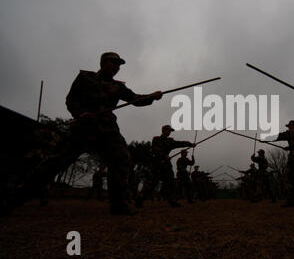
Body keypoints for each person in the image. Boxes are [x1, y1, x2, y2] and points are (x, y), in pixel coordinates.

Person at [24, 52, 163, 215]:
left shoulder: (118, 87)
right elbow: (71, 100)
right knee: (56, 161)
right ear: (103, 63)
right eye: (114, 63)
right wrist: (80, 113)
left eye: (119, 65)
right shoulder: (85, 78)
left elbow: (134, 99)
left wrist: (152, 97)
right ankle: (15, 196)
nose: (117, 67)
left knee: (121, 158)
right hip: (85, 126)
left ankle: (118, 205)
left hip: (108, 130)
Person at [151, 125, 195, 207]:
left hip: (166, 164)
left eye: (170, 131)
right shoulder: (156, 139)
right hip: (157, 163)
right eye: (168, 130)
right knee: (152, 182)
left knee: (171, 181)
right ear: (163, 130)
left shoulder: (170, 141)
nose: (169, 132)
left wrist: (190, 144)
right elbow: (154, 149)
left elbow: (180, 143)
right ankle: (140, 198)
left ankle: (172, 200)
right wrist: (163, 155)